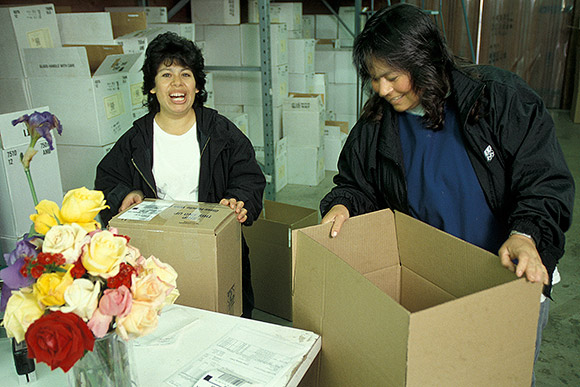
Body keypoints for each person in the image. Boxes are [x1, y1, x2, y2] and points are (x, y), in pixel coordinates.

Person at [320, 4, 574, 385]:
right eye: (374, 78)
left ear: (424, 62)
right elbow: (357, 185)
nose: (382, 89)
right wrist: (342, 205)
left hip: (505, 280)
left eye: (391, 76)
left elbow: (546, 183)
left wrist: (526, 234)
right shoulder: (376, 124)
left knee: (501, 376)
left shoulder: (499, 100)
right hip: (433, 280)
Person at [95, 32, 266, 318]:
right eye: (166, 74)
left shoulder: (221, 132)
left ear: (197, 85)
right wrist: (127, 194)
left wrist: (239, 198)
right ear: (152, 87)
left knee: (222, 323)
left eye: (186, 74)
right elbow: (107, 179)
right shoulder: (135, 140)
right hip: (155, 256)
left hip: (213, 248)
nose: (177, 83)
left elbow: (248, 174)